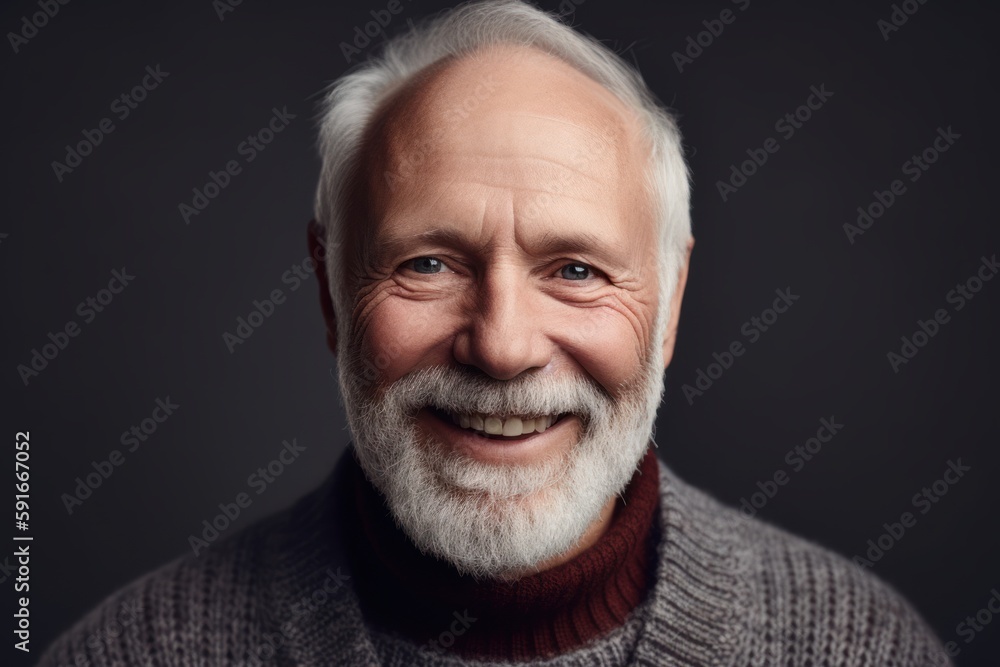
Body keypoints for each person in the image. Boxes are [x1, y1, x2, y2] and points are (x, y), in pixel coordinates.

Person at [41, 1, 952, 665]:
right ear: (329, 293)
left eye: (577, 270)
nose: (504, 346)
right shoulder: (128, 650)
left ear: (670, 306)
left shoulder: (861, 645)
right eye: (428, 264)